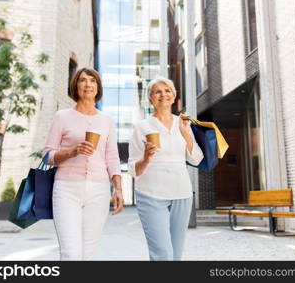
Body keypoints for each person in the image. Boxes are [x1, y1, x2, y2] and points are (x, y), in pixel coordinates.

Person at [44, 67, 124, 260]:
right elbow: (47, 155)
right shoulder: (62, 117)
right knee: (70, 253)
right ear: (75, 86)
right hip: (66, 189)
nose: (88, 84)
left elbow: (112, 157)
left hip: (99, 190)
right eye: (82, 80)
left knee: (89, 253)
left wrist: (119, 189)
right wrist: (73, 152)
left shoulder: (106, 120)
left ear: (98, 87)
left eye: (92, 80)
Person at [128, 77, 204, 261]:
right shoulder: (142, 127)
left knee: (176, 254)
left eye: (167, 90)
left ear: (174, 95)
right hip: (151, 194)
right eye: (157, 92)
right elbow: (133, 170)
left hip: (182, 193)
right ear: (151, 99)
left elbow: (197, 158)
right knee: (162, 254)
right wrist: (146, 158)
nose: (163, 94)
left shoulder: (183, 123)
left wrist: (187, 135)